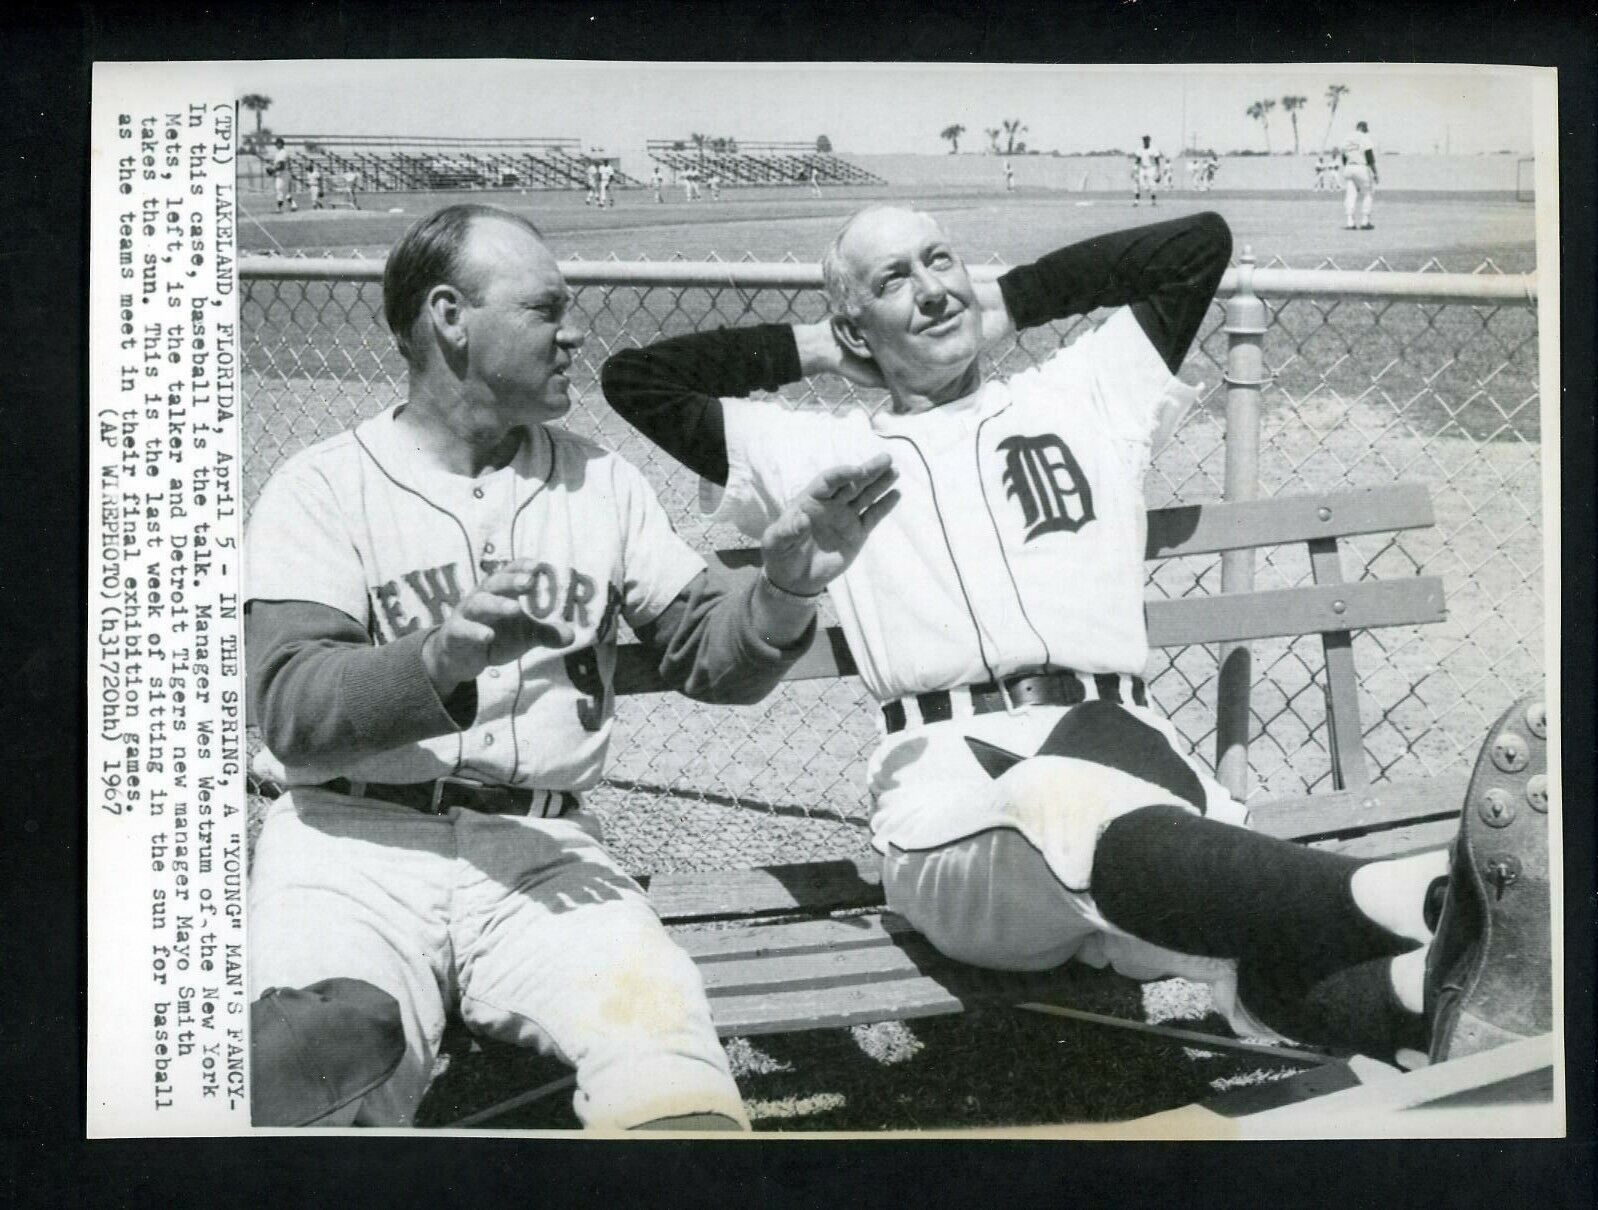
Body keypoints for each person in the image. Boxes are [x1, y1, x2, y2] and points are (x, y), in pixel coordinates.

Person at [600, 205, 1551, 1070]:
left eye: (943, 260)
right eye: (893, 281)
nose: (932, 286)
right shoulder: (808, 450)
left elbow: (1197, 247)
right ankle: (1441, 895)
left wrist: (996, 307)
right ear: (856, 326)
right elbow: (638, 377)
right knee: (1057, 797)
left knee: (1242, 942)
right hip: (958, 816)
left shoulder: (1084, 392)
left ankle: (1454, 999)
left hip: (1139, 767)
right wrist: (829, 348)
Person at [243, 203, 898, 1129]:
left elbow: (714, 662)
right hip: (350, 848)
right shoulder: (321, 486)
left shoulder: (603, 481)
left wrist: (784, 591)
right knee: (318, 1058)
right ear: (449, 318)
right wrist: (436, 658)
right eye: (546, 308)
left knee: (666, 1059)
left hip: (547, 856)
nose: (574, 330)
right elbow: (289, 707)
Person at [1340, 120, 1378, 229]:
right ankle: (1365, 221)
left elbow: (1343, 156)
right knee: (1368, 193)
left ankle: (1350, 222)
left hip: (1349, 167)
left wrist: (1348, 166)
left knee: (1350, 195)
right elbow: (1369, 157)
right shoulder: (1364, 138)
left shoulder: (1347, 138)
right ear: (1364, 129)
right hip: (1361, 167)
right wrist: (1375, 173)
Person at [264, 137, 296, 212]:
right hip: (282, 173)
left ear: (281, 144)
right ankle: (293, 204)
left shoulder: (283, 152)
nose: (276, 145)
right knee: (284, 191)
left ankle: (279, 208)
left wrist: (272, 170)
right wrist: (272, 167)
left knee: (279, 189)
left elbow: (281, 165)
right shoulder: (279, 153)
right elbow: (278, 164)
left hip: (284, 173)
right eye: (276, 144)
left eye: (278, 143)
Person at [1131, 134, 1163, 206]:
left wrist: (1159, 173)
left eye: (1146, 140)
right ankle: (1136, 201)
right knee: (1138, 182)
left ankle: (1153, 201)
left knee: (1152, 185)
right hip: (1142, 168)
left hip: (1151, 168)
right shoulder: (1140, 149)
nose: (1145, 141)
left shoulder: (1154, 149)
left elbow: (1157, 161)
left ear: (1149, 140)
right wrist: (1134, 171)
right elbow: (1137, 161)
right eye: (1144, 140)